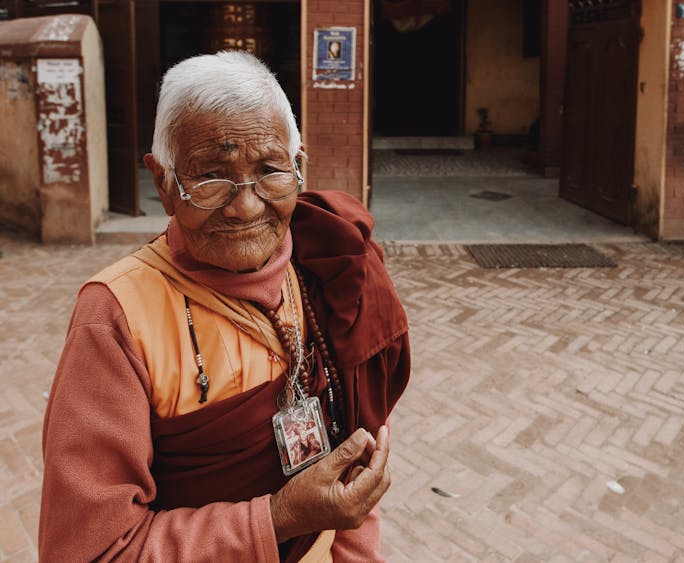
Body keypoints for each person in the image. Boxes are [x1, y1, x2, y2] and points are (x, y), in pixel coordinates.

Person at [38, 51, 410, 562]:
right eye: (210, 177)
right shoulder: (116, 317)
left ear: (299, 169)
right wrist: (277, 518)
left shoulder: (327, 267)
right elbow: (91, 552)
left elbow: (352, 480)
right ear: (163, 184)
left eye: (271, 170)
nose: (246, 206)